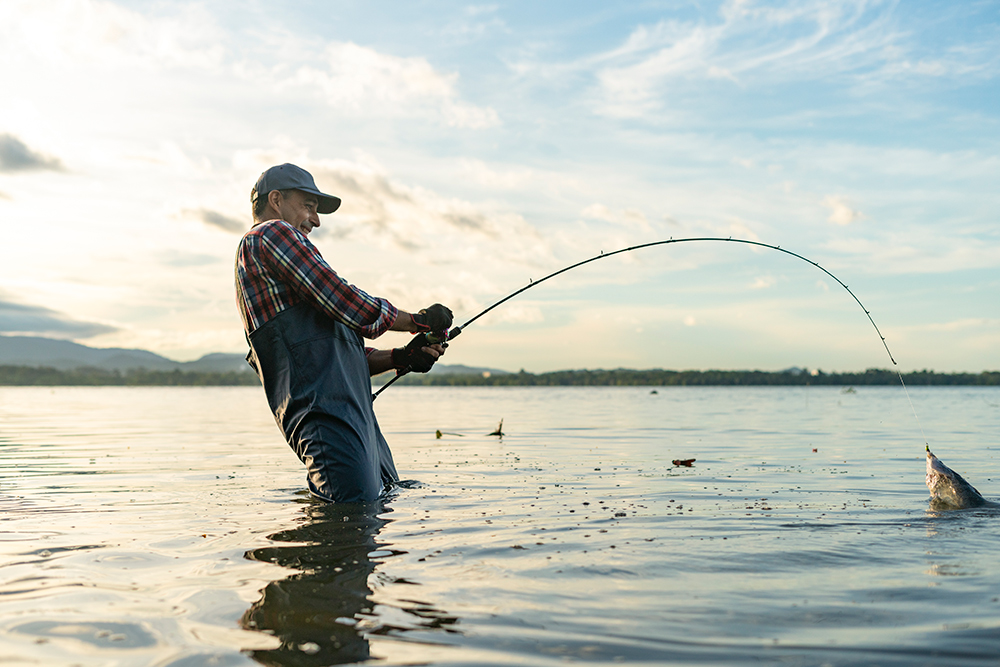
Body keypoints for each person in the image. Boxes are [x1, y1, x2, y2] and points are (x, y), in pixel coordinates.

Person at [235, 163, 453, 503]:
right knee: (352, 518)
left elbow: (336, 355)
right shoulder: (267, 235)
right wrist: (418, 321)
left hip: (354, 419)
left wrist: (402, 357)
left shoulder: (287, 273)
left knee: (377, 507)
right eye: (308, 206)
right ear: (276, 200)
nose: (316, 220)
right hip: (326, 419)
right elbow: (343, 298)